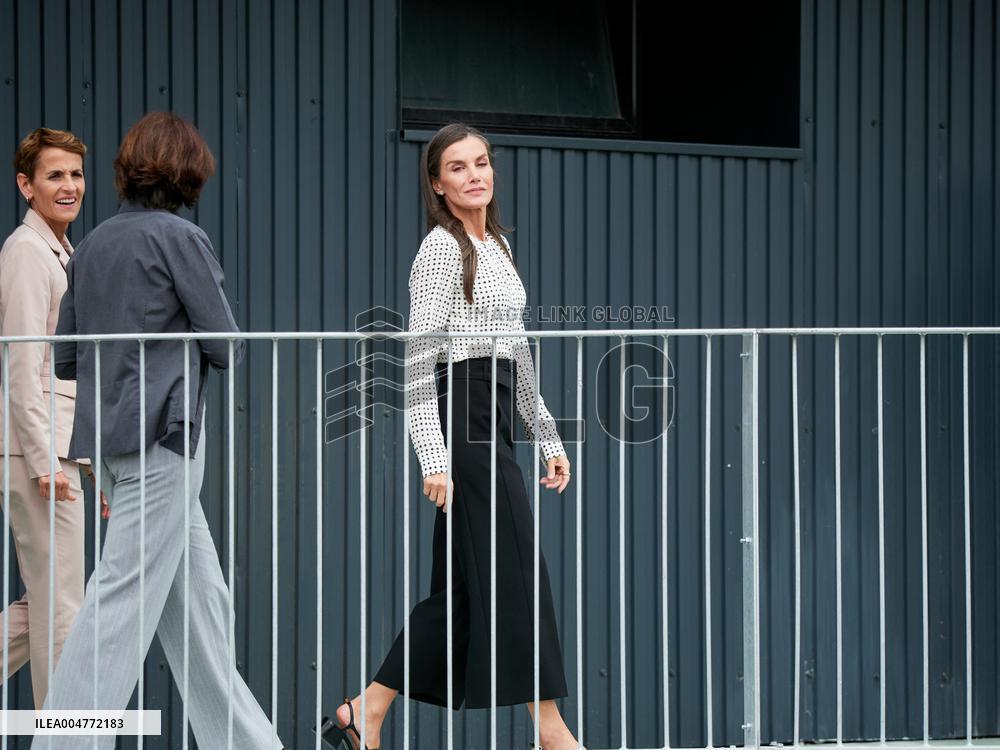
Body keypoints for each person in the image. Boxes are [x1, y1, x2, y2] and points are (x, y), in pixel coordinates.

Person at [328, 124, 581, 750]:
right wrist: (432, 456)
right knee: (517, 566)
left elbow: (518, 352)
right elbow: (418, 360)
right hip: (463, 419)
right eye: (458, 167)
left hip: (496, 415)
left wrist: (548, 435)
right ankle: (551, 731)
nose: (475, 175)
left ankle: (365, 710)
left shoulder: (497, 245)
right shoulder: (440, 250)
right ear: (437, 184)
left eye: (482, 162)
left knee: (463, 592)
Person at [36, 112, 283, 750]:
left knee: (201, 611)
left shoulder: (92, 245)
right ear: (188, 172)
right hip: (165, 438)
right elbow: (224, 344)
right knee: (120, 601)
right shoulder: (181, 238)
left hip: (109, 443)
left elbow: (66, 358)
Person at [0, 127, 90, 709]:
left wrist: (87, 460)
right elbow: (22, 366)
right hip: (38, 454)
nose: (69, 186)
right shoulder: (27, 254)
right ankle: (65, 738)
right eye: (54, 175)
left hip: (58, 450)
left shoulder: (60, 251)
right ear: (25, 186)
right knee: (61, 608)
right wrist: (43, 462)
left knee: (45, 603)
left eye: (75, 174)